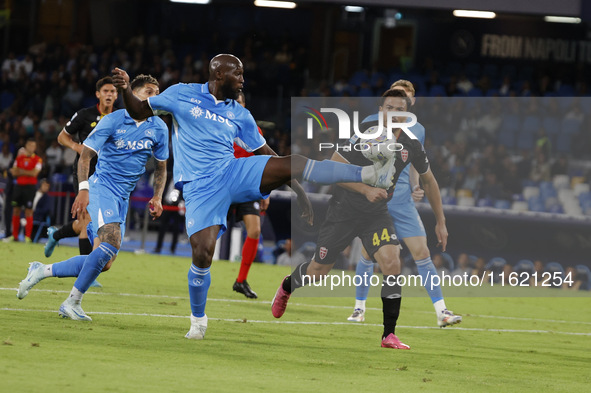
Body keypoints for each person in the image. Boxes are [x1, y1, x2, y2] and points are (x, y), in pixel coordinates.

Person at [111, 54, 398, 340]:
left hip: (233, 171)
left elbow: (265, 153)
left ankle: (365, 175)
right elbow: (138, 110)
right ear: (220, 75)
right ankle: (198, 320)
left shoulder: (240, 113)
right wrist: (125, 89)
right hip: (200, 185)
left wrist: (298, 190)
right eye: (238, 74)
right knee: (202, 252)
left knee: (293, 160)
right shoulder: (181, 94)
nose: (243, 79)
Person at [271, 88, 440, 349]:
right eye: (389, 108)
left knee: (392, 261)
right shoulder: (364, 137)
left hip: (376, 213)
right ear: (381, 111)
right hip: (344, 209)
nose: (394, 114)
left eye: (400, 109)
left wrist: (441, 220)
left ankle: (388, 335)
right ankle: (287, 286)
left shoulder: (411, 145)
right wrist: (366, 189)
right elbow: (332, 169)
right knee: (318, 272)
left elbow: (429, 180)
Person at [16, 75, 168, 321]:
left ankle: (41, 270)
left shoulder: (159, 127)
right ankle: (72, 302)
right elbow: (86, 155)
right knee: (110, 242)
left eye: (157, 93)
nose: (154, 98)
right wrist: (84, 189)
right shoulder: (113, 120)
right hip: (102, 187)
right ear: (134, 95)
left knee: (104, 261)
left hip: (123, 196)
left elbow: (161, 167)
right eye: (148, 92)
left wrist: (158, 196)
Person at [347, 80, 461, 328]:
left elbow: (415, 162)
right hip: (377, 198)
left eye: (406, 100)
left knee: (422, 252)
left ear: (412, 103)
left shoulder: (418, 129)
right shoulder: (370, 122)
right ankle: (359, 308)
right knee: (368, 254)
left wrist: (415, 186)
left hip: (402, 200)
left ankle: (442, 312)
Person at [44, 77, 118, 258]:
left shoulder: (120, 117)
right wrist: (78, 148)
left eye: (112, 91)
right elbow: (62, 137)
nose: (109, 94)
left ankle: (56, 234)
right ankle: (87, 271)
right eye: (105, 91)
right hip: (85, 173)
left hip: (108, 176)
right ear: (98, 94)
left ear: (117, 95)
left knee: (84, 222)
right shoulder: (85, 115)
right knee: (87, 221)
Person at [230, 92, 268, 299]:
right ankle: (199, 272)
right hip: (222, 184)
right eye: (233, 102)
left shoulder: (254, 129)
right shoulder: (218, 127)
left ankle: (241, 280)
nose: (237, 105)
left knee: (254, 231)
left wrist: (265, 190)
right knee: (210, 232)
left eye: (240, 102)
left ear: (245, 105)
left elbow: (261, 162)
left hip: (247, 187)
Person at [3, 139, 42, 242]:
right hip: (18, 187)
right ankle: (14, 236)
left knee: (28, 211)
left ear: (35, 148)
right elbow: (14, 173)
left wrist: (21, 171)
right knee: (16, 210)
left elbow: (35, 173)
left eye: (33, 146)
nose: (31, 148)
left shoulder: (38, 159)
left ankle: (27, 237)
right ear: (26, 146)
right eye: (29, 145)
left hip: (30, 188)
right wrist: (27, 171)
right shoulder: (19, 158)